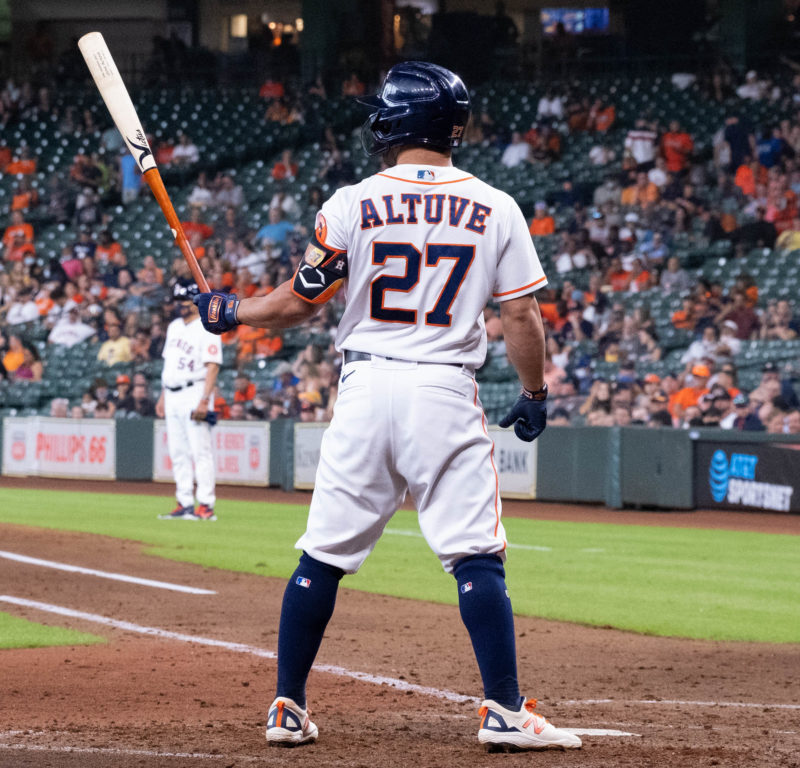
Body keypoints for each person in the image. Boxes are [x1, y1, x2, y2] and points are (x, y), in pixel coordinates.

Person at [193, 61, 580, 751]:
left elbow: (297, 303)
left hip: (365, 387)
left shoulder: (352, 201)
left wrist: (231, 311)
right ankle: (504, 708)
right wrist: (534, 392)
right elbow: (520, 315)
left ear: (393, 123)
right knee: (475, 554)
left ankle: (287, 705)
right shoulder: (496, 205)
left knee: (322, 555)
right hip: (443, 389)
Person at [155, 280, 222, 522]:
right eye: (178, 301)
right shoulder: (174, 326)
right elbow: (169, 365)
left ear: (195, 302)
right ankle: (184, 503)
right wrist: (163, 396)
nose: (180, 305)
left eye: (184, 300)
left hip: (195, 392)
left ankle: (205, 505)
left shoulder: (207, 326)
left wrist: (205, 400)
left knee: (200, 451)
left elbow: (212, 366)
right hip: (172, 393)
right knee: (178, 452)